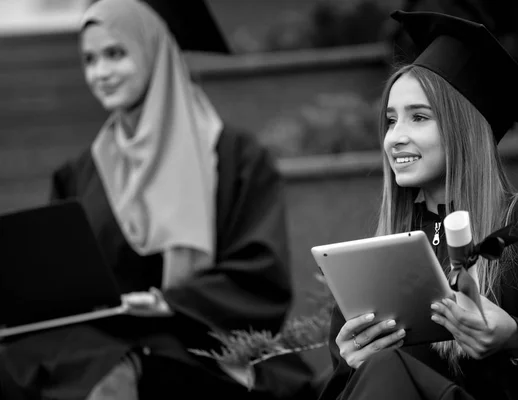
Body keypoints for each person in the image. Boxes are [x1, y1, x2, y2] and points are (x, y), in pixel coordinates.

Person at [0, 0, 317, 399]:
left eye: (115, 54)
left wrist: (167, 302)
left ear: (154, 53)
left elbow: (260, 275)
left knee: (126, 369)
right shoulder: (81, 172)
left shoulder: (234, 158)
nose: (101, 73)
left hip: (195, 341)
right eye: (90, 60)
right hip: (101, 342)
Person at [318, 10, 518, 400]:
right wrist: (350, 364)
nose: (395, 138)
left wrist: (516, 338)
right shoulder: (379, 261)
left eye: (418, 117)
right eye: (389, 121)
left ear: (464, 129)